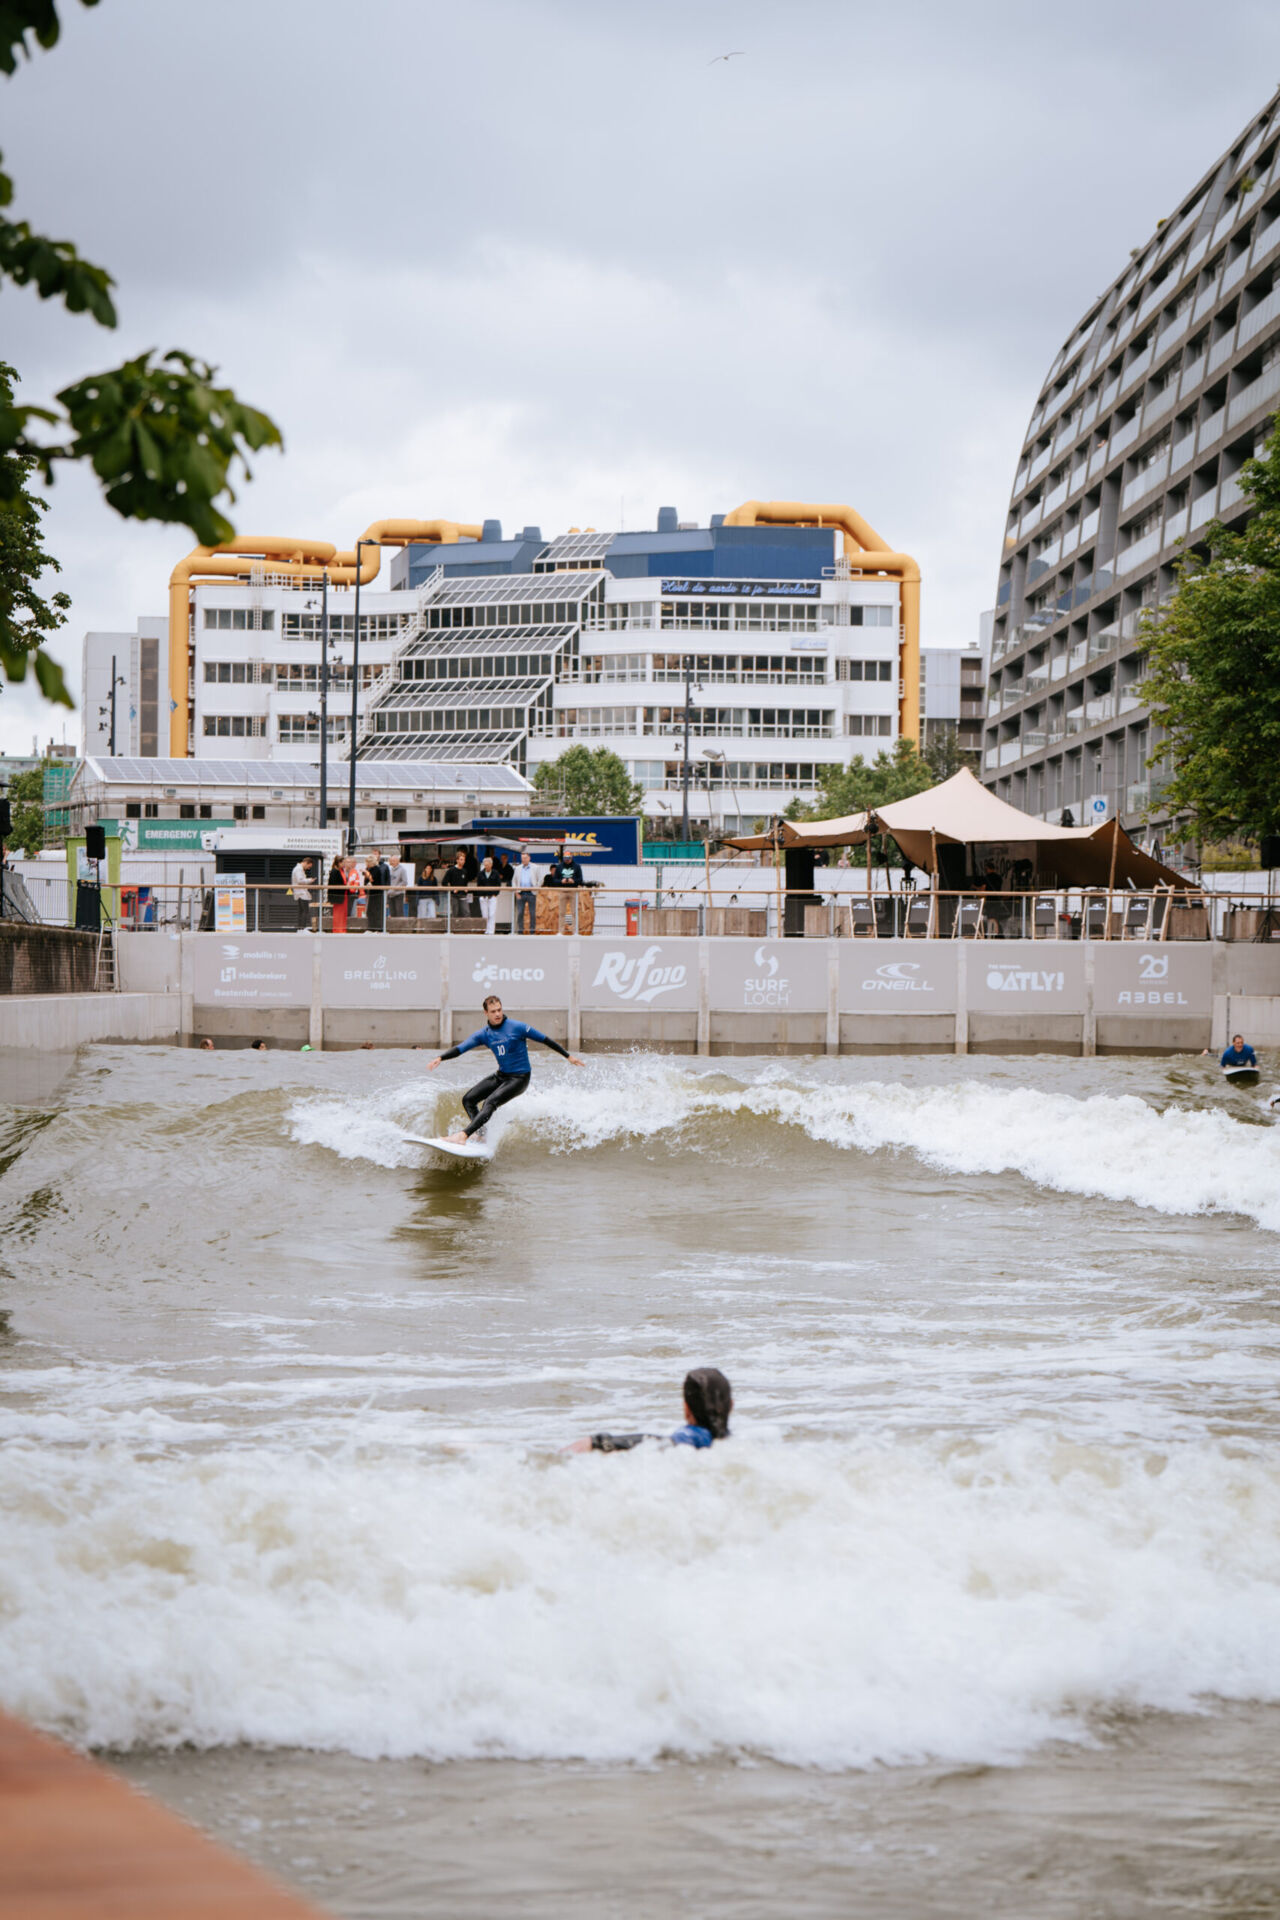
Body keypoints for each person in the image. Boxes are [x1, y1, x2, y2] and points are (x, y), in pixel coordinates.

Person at [427, 993, 583, 1142]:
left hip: (520, 1078)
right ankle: (482, 1135)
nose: (497, 1014)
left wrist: (568, 1056)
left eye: (499, 1010)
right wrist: (441, 1058)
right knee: (468, 1099)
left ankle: (463, 1135)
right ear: (486, 1013)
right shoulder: (484, 1034)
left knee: (489, 1102)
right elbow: (461, 1048)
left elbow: (545, 1040)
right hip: (502, 1076)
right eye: (493, 1011)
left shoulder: (517, 1027)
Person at [566, 1369, 733, 1454]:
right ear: (731, 1406)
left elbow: (667, 1444)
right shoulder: (731, 1442)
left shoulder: (691, 1436)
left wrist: (598, 1442)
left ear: (686, 1409)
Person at [443, 849, 473, 924]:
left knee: (466, 912)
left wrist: (466, 889)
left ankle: (467, 928)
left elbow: (465, 882)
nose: (463, 861)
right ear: (457, 860)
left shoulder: (465, 871)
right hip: (454, 895)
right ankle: (453, 928)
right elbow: (444, 883)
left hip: (463, 895)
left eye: (464, 860)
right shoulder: (451, 870)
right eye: (461, 860)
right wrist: (452, 889)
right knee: (455, 913)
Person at [365, 847, 391, 933]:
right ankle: (371, 927)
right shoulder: (369, 869)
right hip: (371, 893)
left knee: (378, 911)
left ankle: (379, 928)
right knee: (370, 910)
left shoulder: (379, 868)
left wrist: (386, 889)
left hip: (379, 892)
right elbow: (367, 881)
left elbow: (374, 879)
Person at [512, 848, 538, 935]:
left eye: (525, 858)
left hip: (531, 893)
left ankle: (532, 931)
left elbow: (540, 879)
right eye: (522, 858)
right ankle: (520, 930)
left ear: (529, 858)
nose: (524, 859)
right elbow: (514, 881)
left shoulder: (535, 867)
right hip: (521, 893)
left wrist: (536, 888)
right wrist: (516, 892)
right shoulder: (517, 868)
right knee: (520, 913)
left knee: (532, 913)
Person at [475, 854, 500, 932]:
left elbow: (498, 885)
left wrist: (495, 894)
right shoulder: (480, 873)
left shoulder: (496, 873)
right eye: (485, 865)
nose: (486, 867)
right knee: (485, 915)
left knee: (492, 914)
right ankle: (486, 930)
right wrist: (481, 895)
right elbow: (478, 885)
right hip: (483, 897)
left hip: (492, 897)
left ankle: (491, 931)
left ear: (491, 865)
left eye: (488, 865)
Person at [290, 855, 314, 932]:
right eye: (309, 866)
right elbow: (300, 881)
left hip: (300, 892)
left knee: (302, 911)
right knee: (305, 911)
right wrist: (309, 880)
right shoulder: (299, 869)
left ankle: (300, 928)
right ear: (306, 863)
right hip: (301, 893)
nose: (308, 868)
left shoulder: (298, 869)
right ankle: (302, 928)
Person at [388, 850, 412, 919]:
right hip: (390, 894)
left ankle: (400, 925)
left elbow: (405, 882)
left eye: (393, 861)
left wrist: (395, 888)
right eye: (391, 860)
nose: (392, 862)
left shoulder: (402, 870)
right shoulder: (390, 870)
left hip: (398, 894)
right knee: (392, 913)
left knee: (399, 912)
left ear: (398, 861)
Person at [327, 855, 348, 934]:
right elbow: (334, 885)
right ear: (339, 863)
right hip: (338, 896)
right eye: (343, 863)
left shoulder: (340, 871)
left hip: (343, 895)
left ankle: (341, 929)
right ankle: (337, 929)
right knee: (338, 914)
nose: (344, 864)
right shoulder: (334, 872)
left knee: (342, 913)